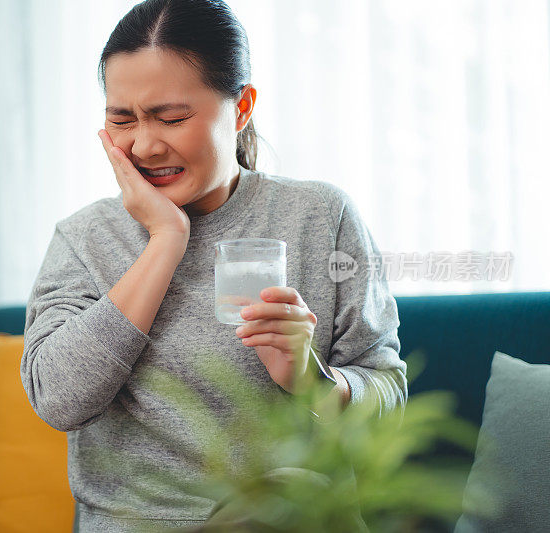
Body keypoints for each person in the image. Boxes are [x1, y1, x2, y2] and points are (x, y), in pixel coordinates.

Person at [21, 0, 407, 531]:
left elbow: (389, 396)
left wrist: (315, 381)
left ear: (242, 107)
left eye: (171, 118)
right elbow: (58, 400)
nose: (144, 145)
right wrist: (164, 240)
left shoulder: (321, 217)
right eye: (121, 119)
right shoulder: (87, 239)